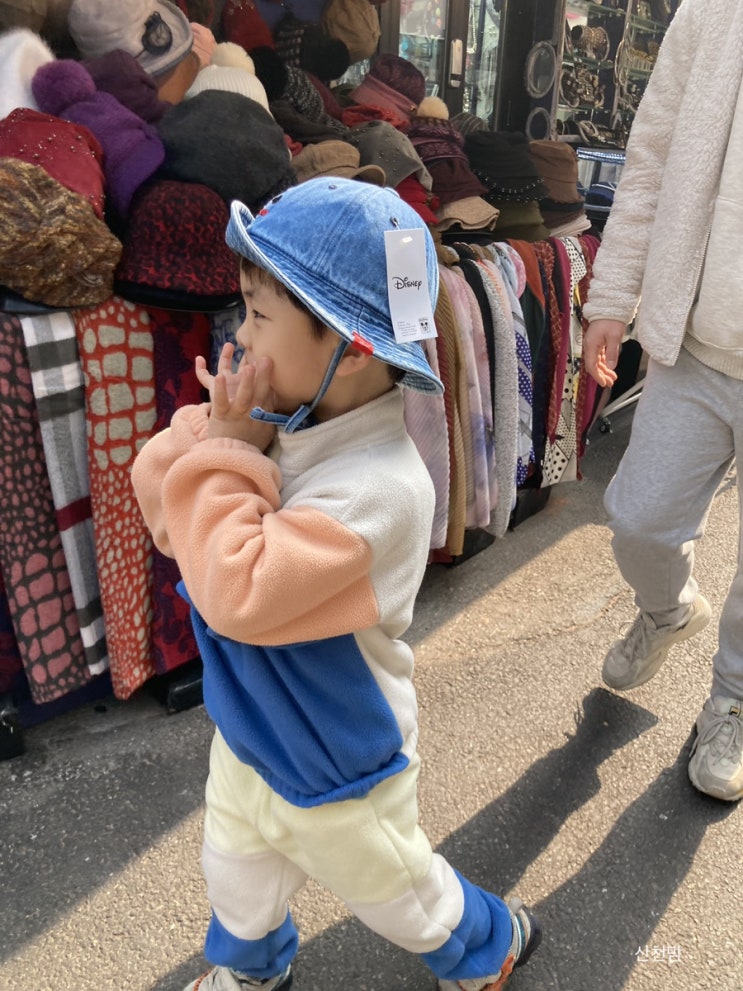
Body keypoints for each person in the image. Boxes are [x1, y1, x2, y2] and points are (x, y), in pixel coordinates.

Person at [131, 177, 541, 991]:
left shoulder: (380, 489)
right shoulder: (283, 426)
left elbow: (235, 592)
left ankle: (488, 942)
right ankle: (252, 970)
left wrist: (228, 450)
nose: (239, 335)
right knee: (235, 872)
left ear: (351, 349)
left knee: (401, 896)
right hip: (253, 730)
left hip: (339, 759)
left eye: (258, 315)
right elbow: (161, 502)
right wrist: (221, 436)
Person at [582, 0, 743, 802]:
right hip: (696, 341)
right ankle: (668, 608)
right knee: (638, 519)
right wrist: (612, 295)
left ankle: (732, 701)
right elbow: (647, 159)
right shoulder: (711, 12)